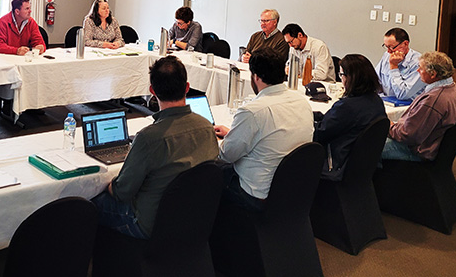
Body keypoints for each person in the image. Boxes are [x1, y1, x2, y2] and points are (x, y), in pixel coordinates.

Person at [93, 55, 218, 238]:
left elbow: (122, 193)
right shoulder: (207, 127)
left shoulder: (148, 138)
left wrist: (107, 184)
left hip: (150, 223)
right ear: (187, 87)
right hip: (194, 216)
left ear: (152, 91)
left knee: (91, 203)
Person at [215, 47, 313, 210]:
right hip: (294, 188)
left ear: (256, 77)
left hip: (257, 194)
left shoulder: (253, 111)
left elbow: (226, 155)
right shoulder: (302, 102)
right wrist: (232, 134)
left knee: (213, 170)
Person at [313, 54, 386, 179]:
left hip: (337, 163)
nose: (341, 79)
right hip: (361, 163)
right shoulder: (376, 100)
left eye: (341, 75)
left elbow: (320, 134)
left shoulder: (347, 107)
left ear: (351, 78)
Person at [382, 51, 456, 161]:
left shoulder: (433, 100)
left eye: (420, 68)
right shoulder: (455, 90)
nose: (417, 71)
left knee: (368, 146)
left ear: (433, 74)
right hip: (435, 147)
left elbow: (407, 135)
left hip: (418, 150)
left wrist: (389, 126)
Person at [375, 28, 425, 100]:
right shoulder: (387, 55)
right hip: (386, 101)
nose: (389, 51)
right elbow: (375, 81)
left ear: (405, 44)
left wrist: (394, 67)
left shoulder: (418, 63)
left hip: (407, 106)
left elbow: (403, 95)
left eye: (392, 47)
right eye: (386, 47)